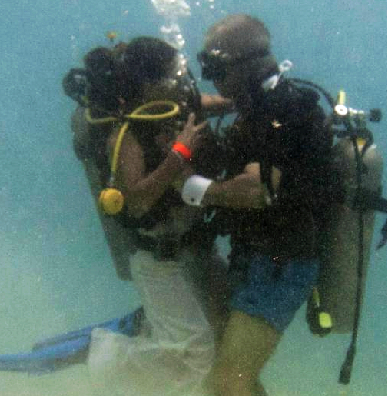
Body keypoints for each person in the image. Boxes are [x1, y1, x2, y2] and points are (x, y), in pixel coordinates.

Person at [180, 15, 334, 396]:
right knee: (233, 375)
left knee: (228, 380)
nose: (210, 76)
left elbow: (256, 190)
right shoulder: (260, 103)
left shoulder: (284, 110)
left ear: (247, 63)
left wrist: (191, 186)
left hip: (283, 261)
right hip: (258, 256)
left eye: (215, 67)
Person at [71, 37, 231, 396]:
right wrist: (180, 152)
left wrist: (245, 101)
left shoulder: (170, 108)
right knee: (196, 353)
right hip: (157, 259)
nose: (181, 81)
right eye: (172, 75)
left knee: (226, 333)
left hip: (195, 247)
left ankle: (152, 332)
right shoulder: (124, 133)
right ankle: (103, 352)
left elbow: (204, 103)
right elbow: (139, 199)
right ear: (146, 83)